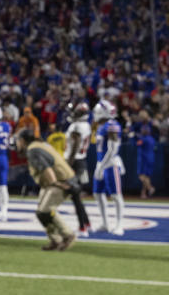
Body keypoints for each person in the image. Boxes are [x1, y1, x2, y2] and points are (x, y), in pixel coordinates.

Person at [14, 128, 77, 251]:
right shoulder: (39, 145)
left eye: (18, 141)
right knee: (41, 213)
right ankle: (56, 240)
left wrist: (56, 184)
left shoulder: (33, 150)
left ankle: (68, 234)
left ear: (22, 140)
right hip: (55, 181)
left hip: (60, 181)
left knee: (45, 210)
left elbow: (47, 169)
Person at [92, 99, 126, 235]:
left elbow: (112, 149)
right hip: (101, 163)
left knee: (116, 196)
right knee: (97, 193)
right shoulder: (101, 126)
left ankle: (119, 225)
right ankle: (105, 223)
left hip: (110, 164)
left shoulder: (112, 125)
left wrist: (102, 166)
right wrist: (99, 165)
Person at [63, 102, 94, 236]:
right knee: (76, 196)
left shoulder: (76, 126)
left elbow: (75, 145)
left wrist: (68, 163)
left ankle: (83, 227)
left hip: (74, 162)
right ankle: (87, 223)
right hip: (81, 161)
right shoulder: (86, 125)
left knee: (75, 196)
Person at [131, 110, 158, 199]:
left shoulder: (143, 139)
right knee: (147, 176)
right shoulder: (151, 138)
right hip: (151, 158)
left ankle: (150, 188)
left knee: (141, 176)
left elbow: (135, 143)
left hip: (144, 158)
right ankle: (143, 193)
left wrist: (133, 137)